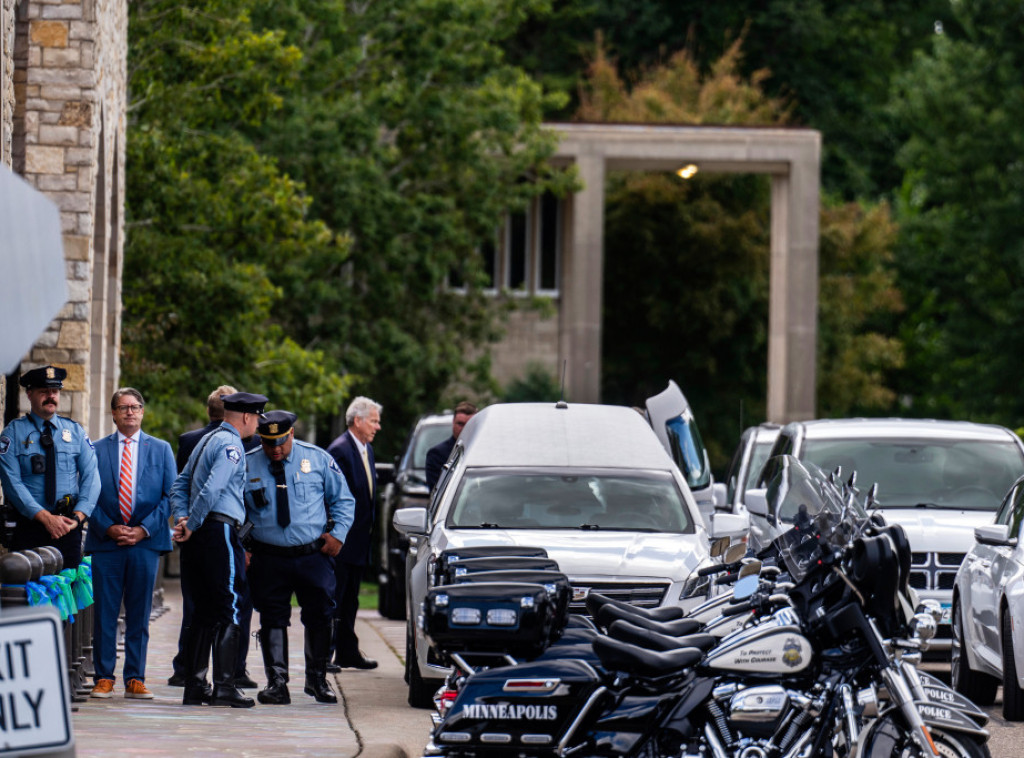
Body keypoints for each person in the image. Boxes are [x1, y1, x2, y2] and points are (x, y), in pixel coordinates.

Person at [244, 411, 355, 705]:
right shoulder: (248, 463)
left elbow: (343, 500)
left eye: (281, 442)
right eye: (269, 444)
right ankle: (277, 683)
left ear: (291, 435)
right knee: (272, 618)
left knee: (320, 615)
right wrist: (243, 543)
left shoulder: (317, 459)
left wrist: (338, 534)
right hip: (269, 557)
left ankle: (317, 679)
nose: (275, 449)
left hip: (312, 555)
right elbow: (236, 509)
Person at [170, 391, 267, 708]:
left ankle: (195, 685)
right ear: (247, 417)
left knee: (202, 609)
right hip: (218, 530)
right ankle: (225, 685)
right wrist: (193, 522)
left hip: (201, 532)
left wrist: (184, 518)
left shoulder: (206, 440)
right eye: (256, 418)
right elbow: (213, 488)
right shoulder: (232, 445)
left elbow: (180, 484)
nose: (256, 424)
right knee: (229, 604)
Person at [85, 388, 176, 700]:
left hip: (144, 544)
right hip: (106, 543)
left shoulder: (161, 449)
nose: (130, 412)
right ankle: (104, 677)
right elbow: (87, 496)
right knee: (105, 614)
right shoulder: (95, 450)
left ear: (142, 412)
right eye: (123, 407)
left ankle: (135, 677)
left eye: (135, 407)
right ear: (113, 413)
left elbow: (170, 497)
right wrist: (108, 527)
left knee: (139, 612)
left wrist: (142, 530)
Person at [0, 365, 100, 570]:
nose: (50, 396)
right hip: (29, 527)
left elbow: (92, 477)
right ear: (29, 394)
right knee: (28, 595)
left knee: (67, 594)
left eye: (54, 391)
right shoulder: (13, 433)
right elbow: (12, 483)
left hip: (67, 527)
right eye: (43, 392)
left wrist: (78, 517)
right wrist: (45, 518)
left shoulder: (75, 431)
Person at [325, 396, 382, 670]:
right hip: (342, 540)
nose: (377, 426)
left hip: (359, 540)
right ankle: (325, 653)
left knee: (351, 600)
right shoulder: (340, 450)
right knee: (334, 598)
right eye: (373, 421)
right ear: (357, 421)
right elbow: (333, 498)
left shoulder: (365, 449)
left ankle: (347, 651)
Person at [424, 401, 478, 491]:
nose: (464, 428)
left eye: (469, 424)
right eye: (460, 424)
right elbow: (437, 492)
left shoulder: (483, 452)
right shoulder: (437, 454)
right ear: (453, 423)